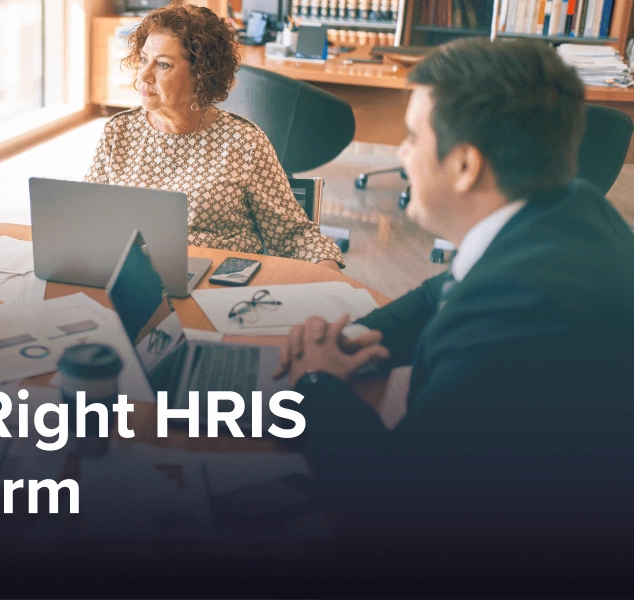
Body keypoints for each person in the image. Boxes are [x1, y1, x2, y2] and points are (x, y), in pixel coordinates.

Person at [275, 38, 634, 576]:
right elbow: (438, 293)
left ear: (465, 164)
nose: (399, 153)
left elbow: (398, 507)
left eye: (413, 137)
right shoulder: (573, 206)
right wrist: (354, 341)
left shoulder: (520, 309)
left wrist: (316, 384)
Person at [85, 1, 342, 270]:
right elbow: (89, 216)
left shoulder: (245, 143)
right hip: (141, 281)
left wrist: (330, 277)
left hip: (221, 284)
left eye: (163, 65)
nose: (144, 75)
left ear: (201, 76)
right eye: (144, 60)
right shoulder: (119, 132)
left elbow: (295, 237)